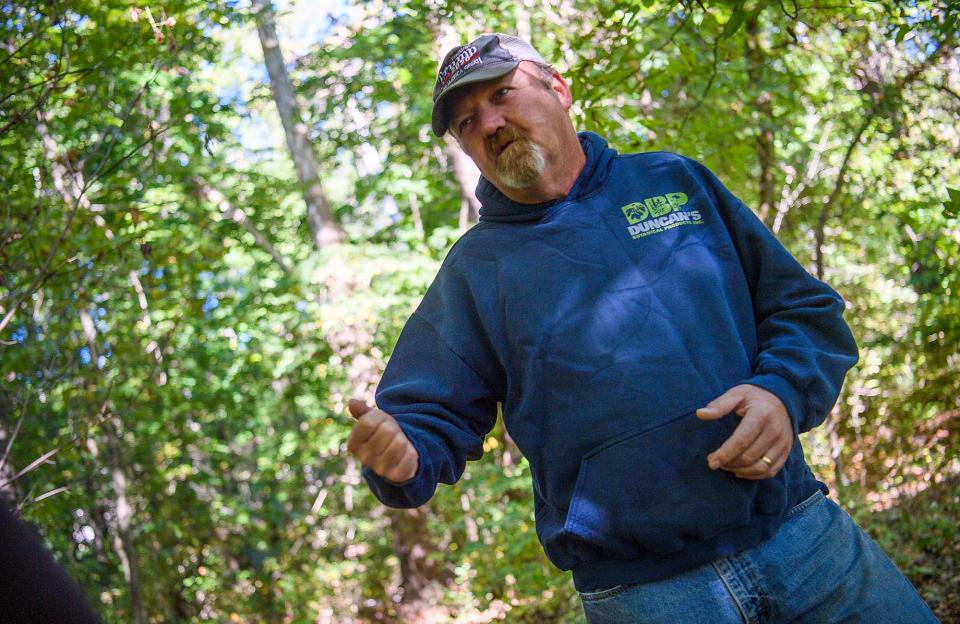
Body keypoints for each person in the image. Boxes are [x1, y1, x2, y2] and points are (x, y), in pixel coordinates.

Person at [346, 33, 938, 623]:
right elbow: (422, 420)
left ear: (558, 87)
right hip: (645, 597)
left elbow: (804, 310)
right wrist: (404, 455)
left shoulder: (676, 183)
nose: (492, 122)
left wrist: (782, 392)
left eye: (503, 93)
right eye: (468, 121)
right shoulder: (475, 270)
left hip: (803, 539)